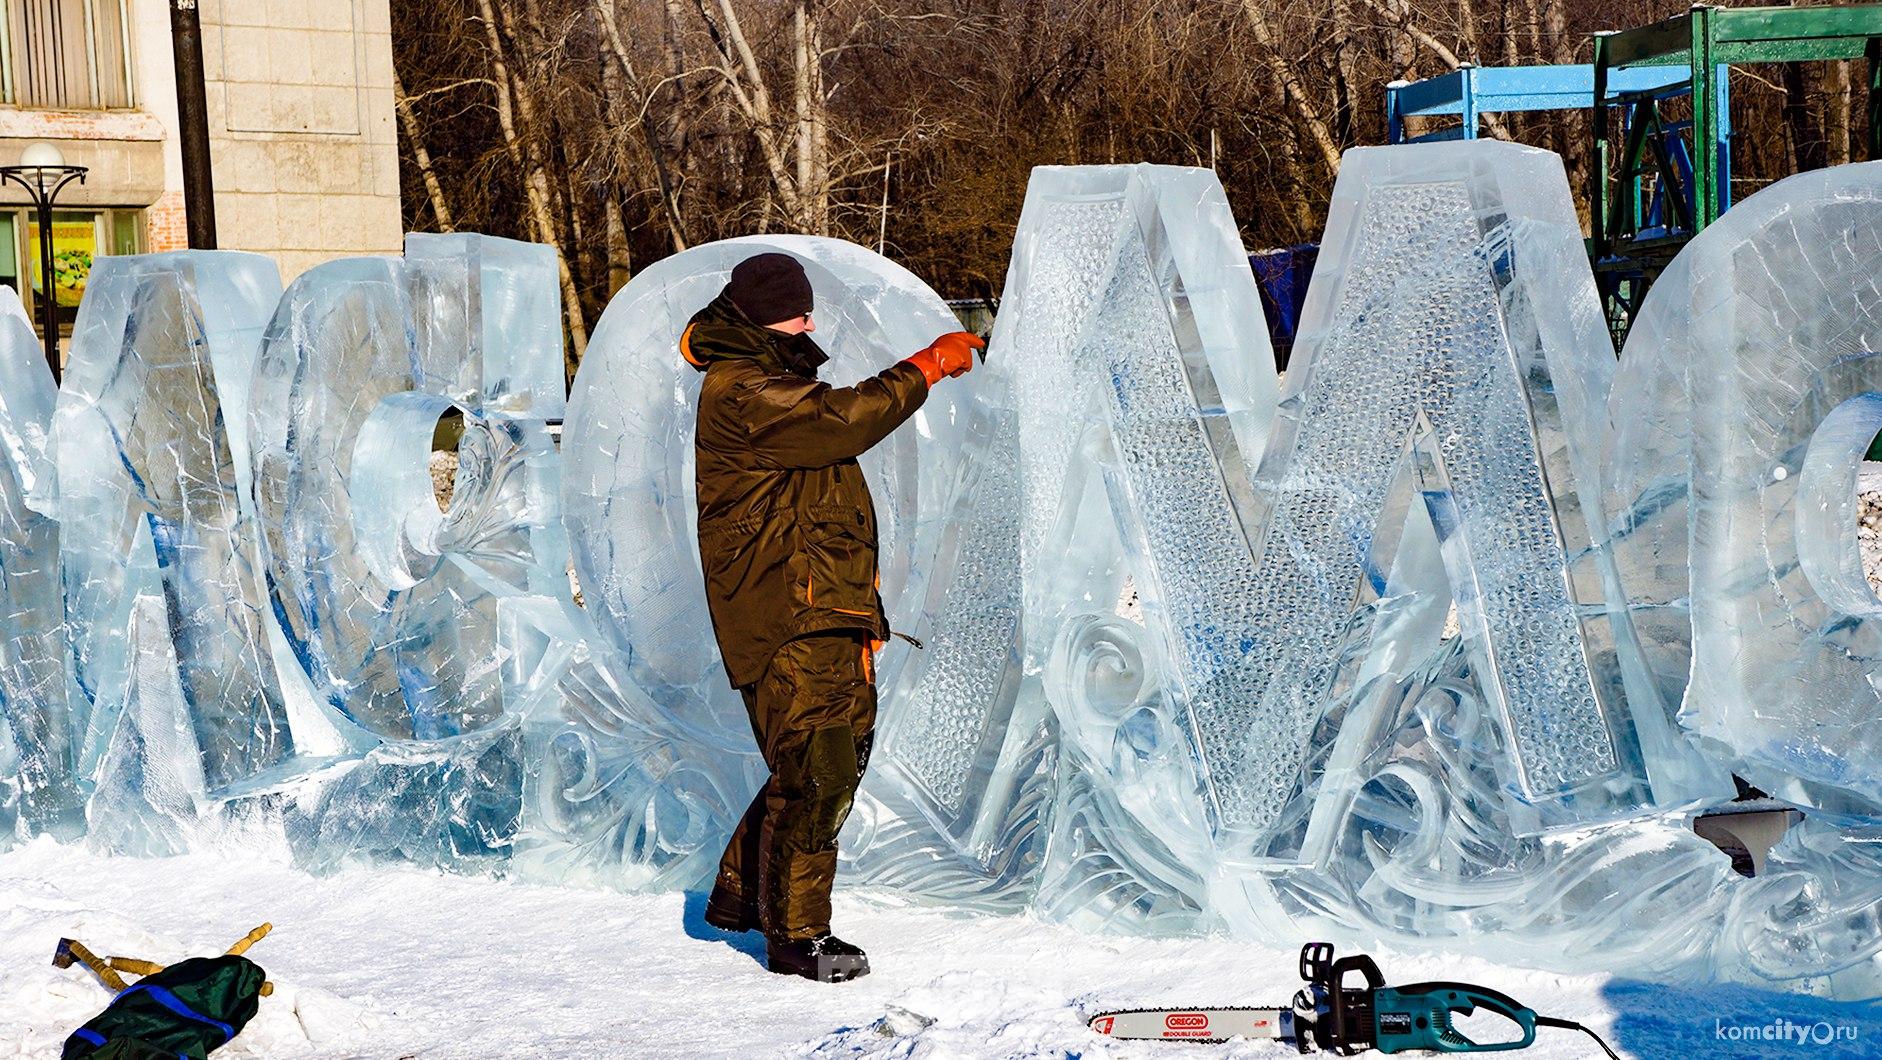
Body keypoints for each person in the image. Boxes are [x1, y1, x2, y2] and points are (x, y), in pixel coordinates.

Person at [682, 252, 983, 982]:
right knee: (819, 768)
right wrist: (927, 366)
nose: (810, 322)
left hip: (824, 607)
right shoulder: (743, 391)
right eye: (797, 311)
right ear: (759, 315)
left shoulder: (771, 380)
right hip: (790, 613)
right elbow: (845, 420)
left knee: (822, 759)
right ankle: (796, 937)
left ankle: (738, 893)